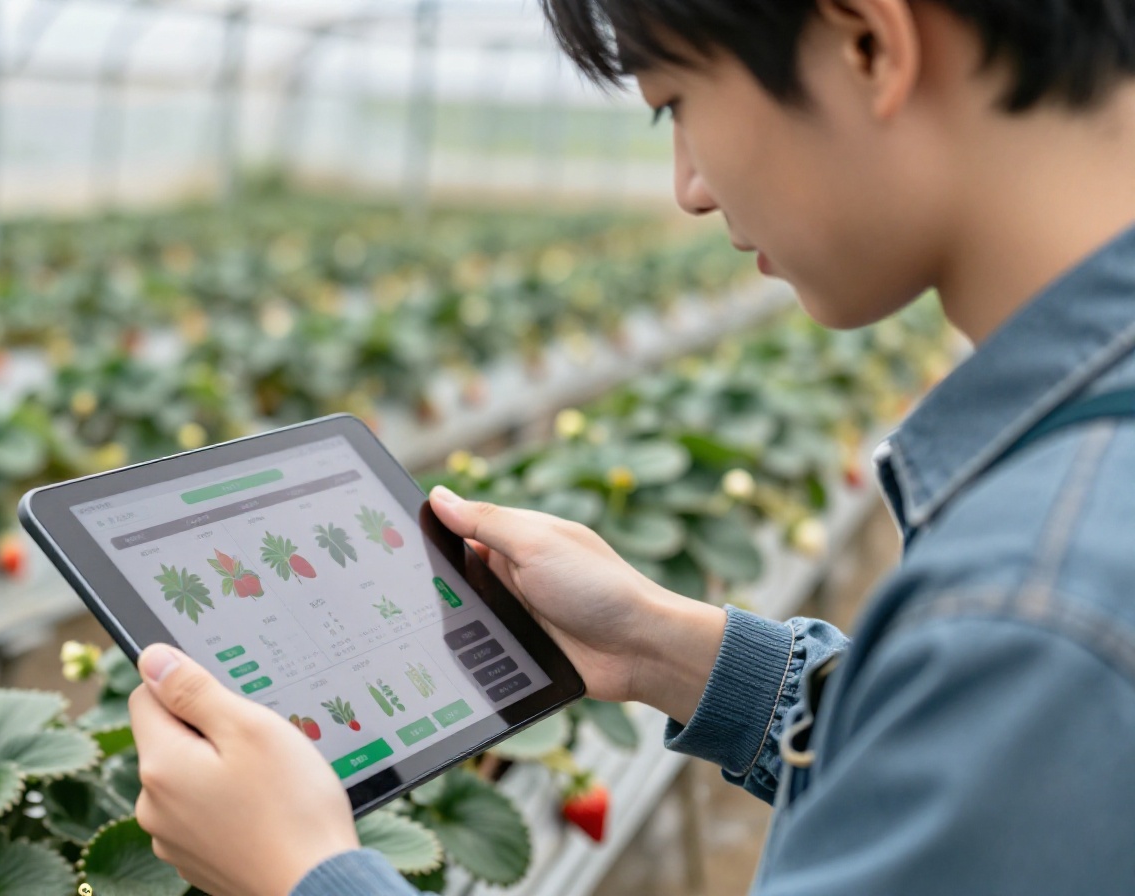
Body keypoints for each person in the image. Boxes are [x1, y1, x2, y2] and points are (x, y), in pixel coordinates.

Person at [124, 0, 1135, 893]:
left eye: (674, 102)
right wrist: (660, 644)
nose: (688, 187)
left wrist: (304, 873)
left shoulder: (1033, 613)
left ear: (866, 40)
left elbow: (1024, 676)